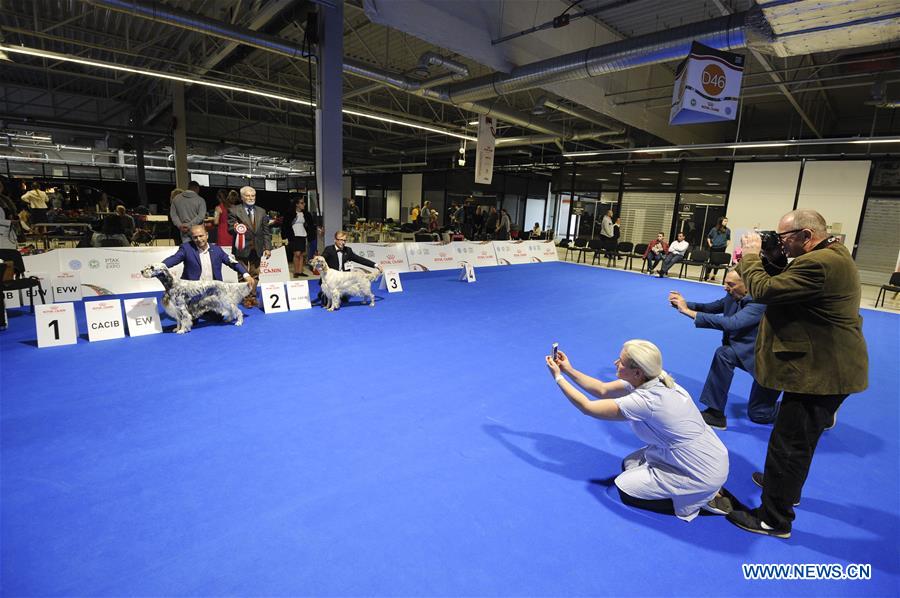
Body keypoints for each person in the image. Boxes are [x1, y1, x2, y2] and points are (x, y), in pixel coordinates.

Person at [725, 209, 868, 539]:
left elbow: (765, 291)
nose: (781, 242)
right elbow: (783, 283)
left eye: (786, 238)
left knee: (789, 444)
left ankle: (773, 519)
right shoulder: (830, 254)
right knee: (798, 441)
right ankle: (784, 487)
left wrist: (748, 256)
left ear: (807, 236)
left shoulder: (820, 263)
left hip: (820, 371)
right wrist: (774, 256)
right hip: (825, 366)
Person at [545, 340, 730, 521]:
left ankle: (700, 500)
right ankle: (704, 488)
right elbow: (601, 390)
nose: (615, 363)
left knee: (624, 488)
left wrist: (558, 377)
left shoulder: (644, 401)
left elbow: (587, 407)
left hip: (699, 469)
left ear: (637, 372)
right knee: (630, 462)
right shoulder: (654, 378)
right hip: (709, 455)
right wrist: (567, 369)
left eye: (621, 362)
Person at [668, 269, 781, 428]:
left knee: (759, 414)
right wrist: (682, 304)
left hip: (772, 363)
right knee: (724, 354)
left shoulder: (760, 301)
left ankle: (807, 408)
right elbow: (709, 307)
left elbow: (732, 323)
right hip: (750, 353)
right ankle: (715, 414)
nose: (725, 287)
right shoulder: (733, 295)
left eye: (730, 284)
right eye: (725, 283)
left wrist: (687, 312)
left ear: (748, 285)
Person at [163, 224, 254, 286]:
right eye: (195, 237)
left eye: (201, 236)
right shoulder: (186, 248)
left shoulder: (217, 250)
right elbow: (174, 259)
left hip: (214, 289)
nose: (198, 239)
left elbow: (233, 262)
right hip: (193, 290)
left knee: (218, 315)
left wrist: (246, 274)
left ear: (207, 235)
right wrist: (160, 266)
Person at [317, 230, 382, 306]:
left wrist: (375, 265)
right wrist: (318, 262)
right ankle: (322, 294)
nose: (343, 242)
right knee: (325, 301)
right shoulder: (329, 249)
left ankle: (342, 295)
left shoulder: (348, 250)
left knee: (344, 300)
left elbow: (360, 259)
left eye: (344, 240)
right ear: (335, 240)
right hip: (331, 281)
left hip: (344, 282)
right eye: (341, 240)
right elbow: (322, 259)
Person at [228, 186, 272, 288]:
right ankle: (244, 297)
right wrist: (236, 228)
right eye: (248, 196)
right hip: (241, 247)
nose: (251, 198)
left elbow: (266, 231)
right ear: (242, 197)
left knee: (255, 274)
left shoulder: (262, 211)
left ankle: (252, 296)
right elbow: (230, 229)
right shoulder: (234, 210)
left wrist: (268, 247)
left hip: (257, 248)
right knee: (242, 274)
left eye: (253, 196)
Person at [281, 196, 318, 277]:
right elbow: (285, 225)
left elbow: (311, 225)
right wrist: (284, 236)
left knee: (301, 254)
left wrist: (314, 230)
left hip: (303, 234)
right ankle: (296, 271)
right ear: (296, 204)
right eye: (301, 203)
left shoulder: (306, 214)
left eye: (303, 203)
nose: (303, 204)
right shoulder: (289, 213)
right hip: (293, 235)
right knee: (296, 253)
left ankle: (300, 271)